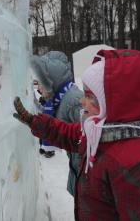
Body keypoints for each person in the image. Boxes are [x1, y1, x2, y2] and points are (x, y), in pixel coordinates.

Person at [14, 49, 140, 220]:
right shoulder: (102, 131)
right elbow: (70, 134)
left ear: (115, 102)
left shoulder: (138, 165)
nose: (82, 101)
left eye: (90, 96)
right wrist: (33, 121)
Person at [31, 51, 83, 195]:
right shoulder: (59, 99)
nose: (39, 89)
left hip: (84, 170)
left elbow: (90, 137)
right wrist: (33, 103)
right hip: (77, 167)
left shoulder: (73, 100)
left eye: (40, 83)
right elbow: (54, 120)